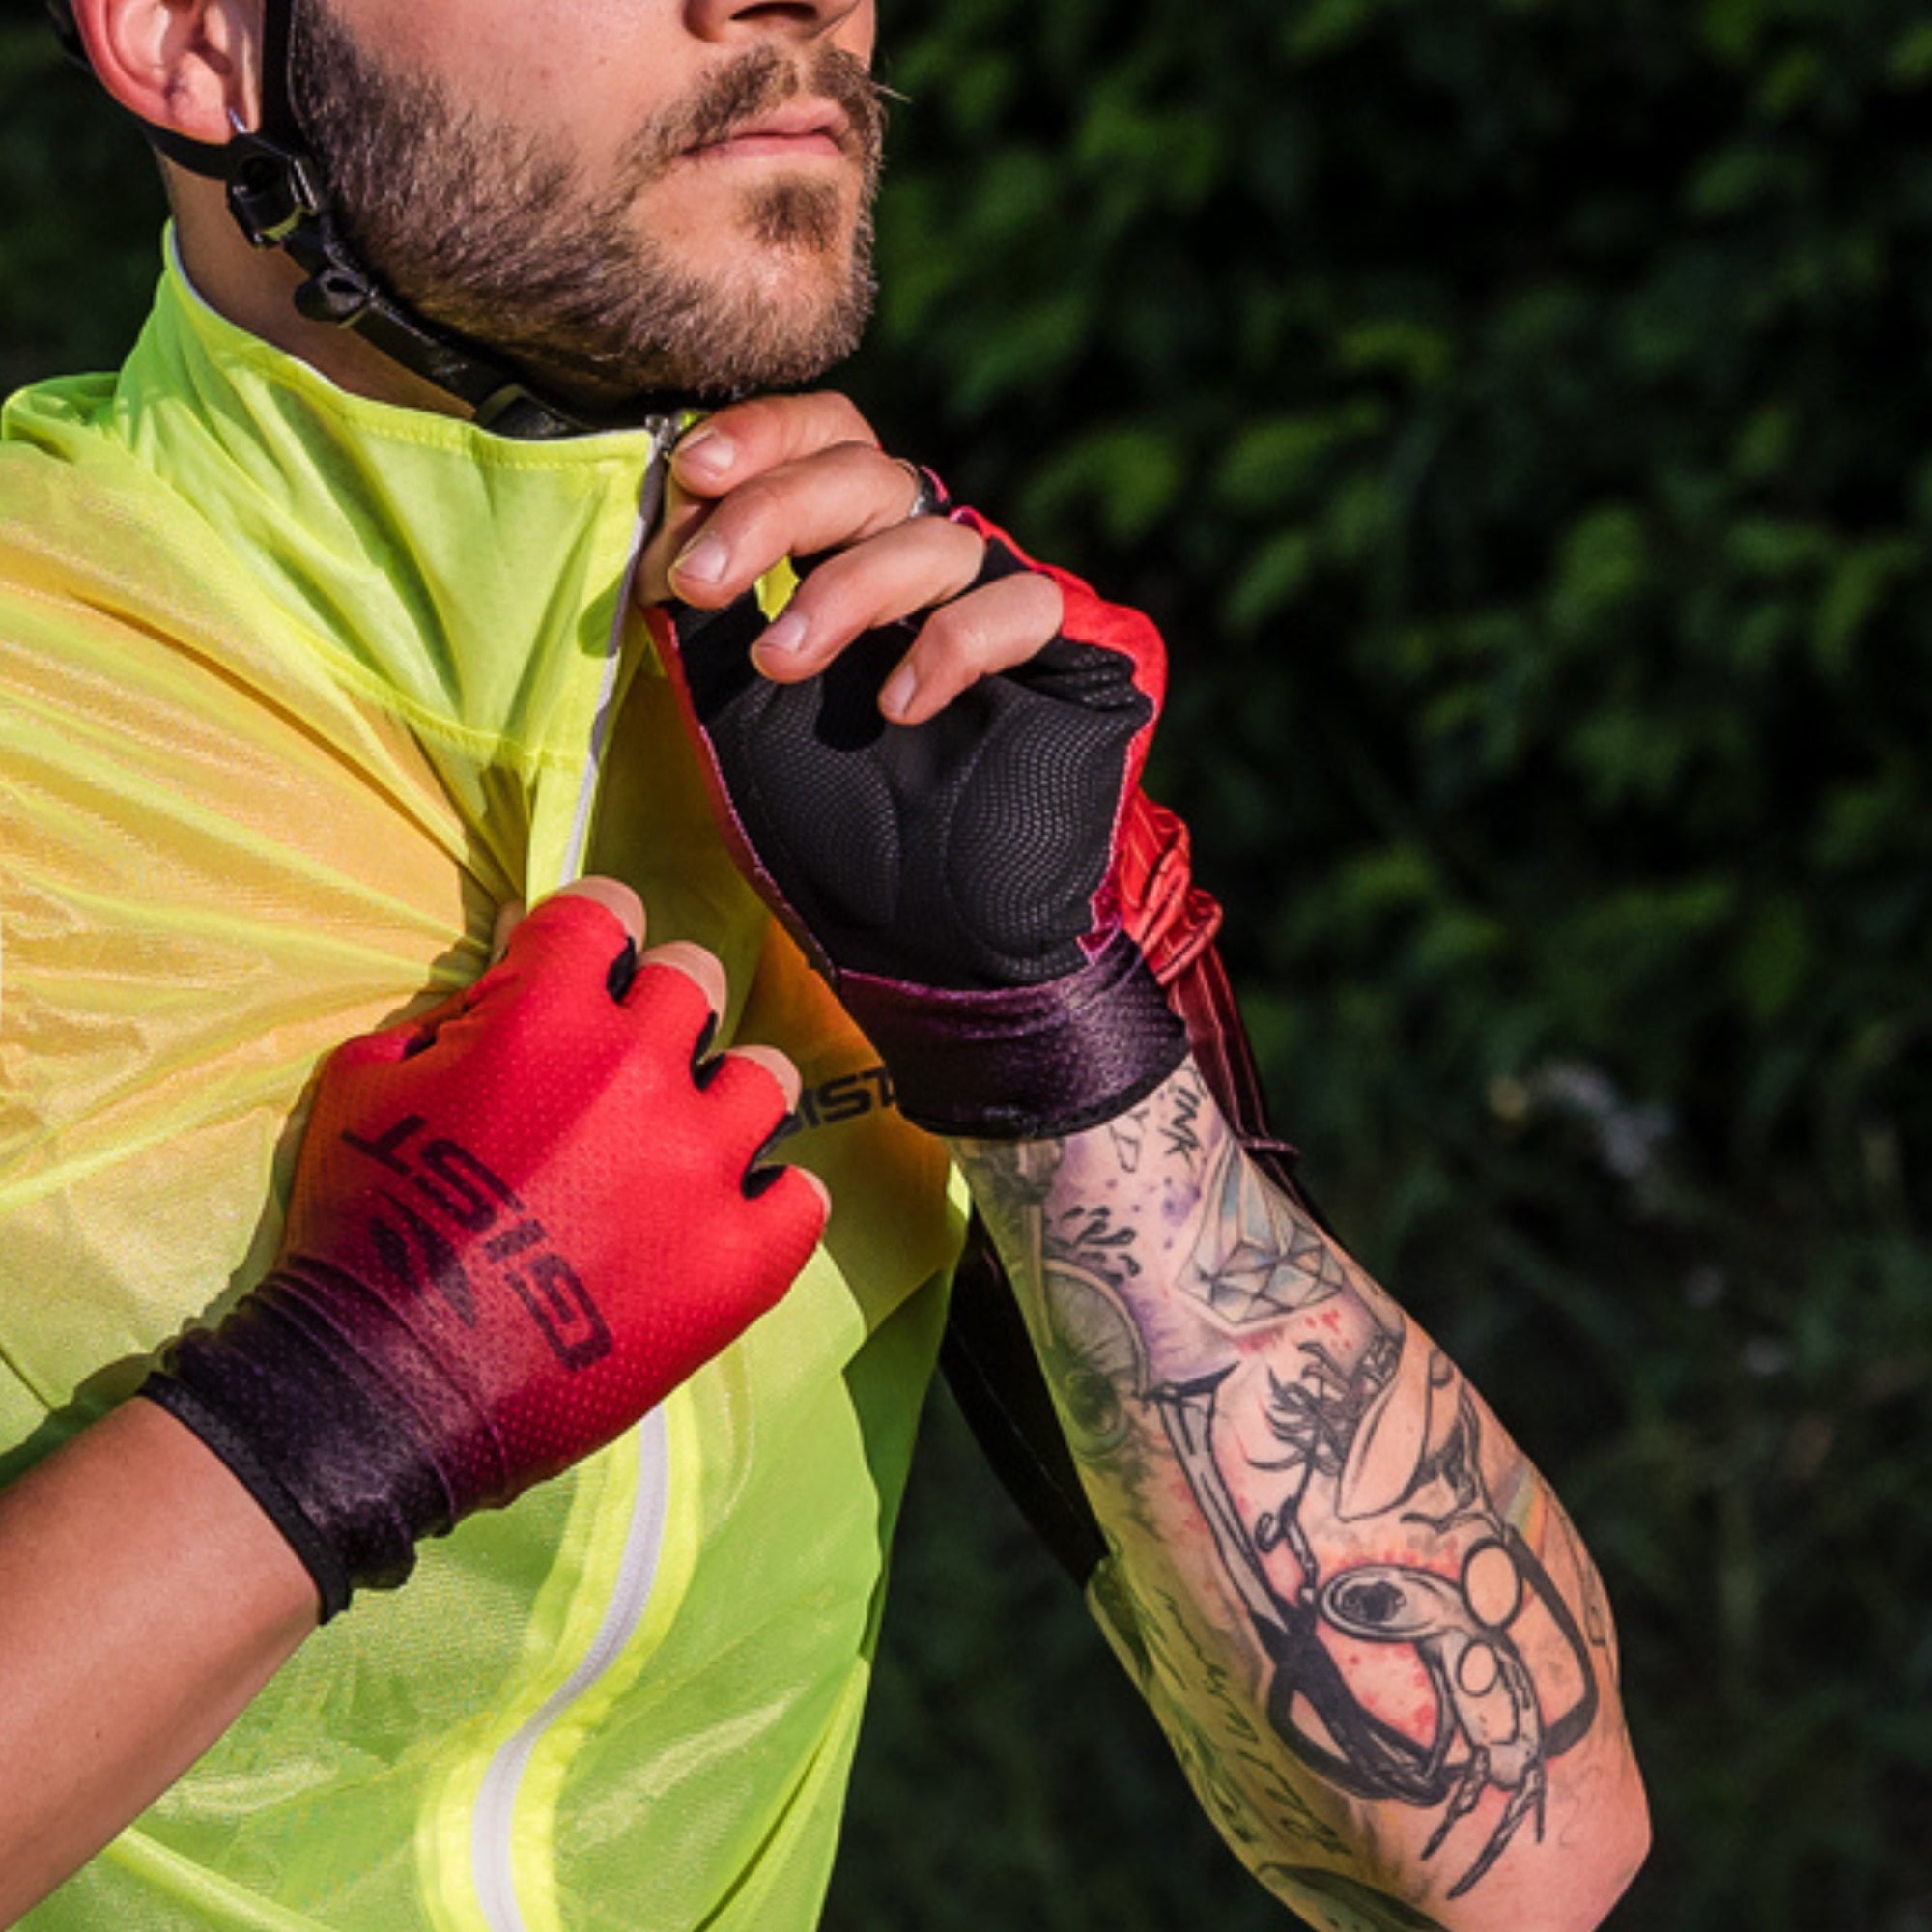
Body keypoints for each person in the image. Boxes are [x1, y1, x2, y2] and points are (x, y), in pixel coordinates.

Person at [0, 1, 1650, 1928]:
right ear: (195, 39)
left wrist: (1055, 1047)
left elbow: (1518, 1863)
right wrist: (325, 1419)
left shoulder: (879, 698)